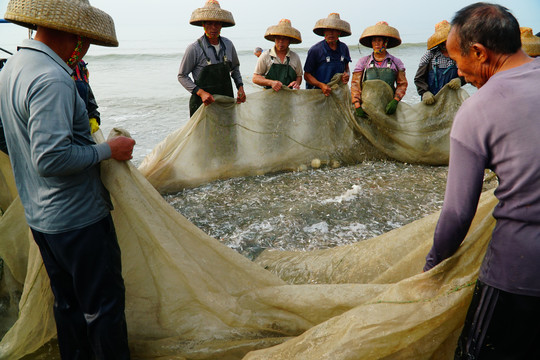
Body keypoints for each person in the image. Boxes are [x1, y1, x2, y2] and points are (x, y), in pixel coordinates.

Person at [0, 0, 135, 358]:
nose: (86, 49)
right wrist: (110, 149)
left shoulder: (14, 66)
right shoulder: (52, 79)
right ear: (75, 35)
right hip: (77, 219)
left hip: (42, 219)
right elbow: (51, 158)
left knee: (69, 306)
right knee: (103, 308)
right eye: (87, 40)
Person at [422, 3, 540, 359]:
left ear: (479, 52)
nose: (460, 70)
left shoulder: (477, 110)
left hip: (519, 273)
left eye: (459, 60)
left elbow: (458, 213)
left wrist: (431, 271)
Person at [178, 0, 246, 117]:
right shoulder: (194, 48)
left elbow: (235, 68)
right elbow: (182, 76)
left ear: (221, 25)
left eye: (217, 24)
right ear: (203, 25)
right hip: (203, 105)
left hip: (225, 103)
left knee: (226, 134)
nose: (213, 28)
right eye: (209, 23)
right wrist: (201, 92)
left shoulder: (228, 45)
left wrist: (240, 87)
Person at [351, 21, 407, 116]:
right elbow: (355, 84)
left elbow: (402, 84)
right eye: (374, 40)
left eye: (380, 40)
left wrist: (395, 100)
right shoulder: (363, 62)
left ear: (386, 42)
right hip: (367, 106)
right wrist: (357, 104)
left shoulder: (396, 62)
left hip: (388, 107)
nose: (376, 43)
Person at [414, 20, 465, 105]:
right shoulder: (430, 55)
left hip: (452, 100)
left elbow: (468, 75)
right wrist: (424, 92)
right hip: (431, 99)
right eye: (445, 40)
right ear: (440, 42)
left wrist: (460, 80)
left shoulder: (459, 55)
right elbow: (419, 78)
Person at [304, 13, 351, 96]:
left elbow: (346, 68)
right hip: (317, 93)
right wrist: (321, 85)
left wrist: (346, 75)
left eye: (334, 30)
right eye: (328, 30)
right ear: (324, 32)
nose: (331, 33)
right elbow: (307, 75)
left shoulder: (344, 48)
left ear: (339, 32)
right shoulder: (315, 50)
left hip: (338, 93)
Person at [253, 19, 303, 91]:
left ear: (289, 40)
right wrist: (271, 83)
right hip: (269, 98)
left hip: (289, 97)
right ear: (274, 39)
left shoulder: (295, 57)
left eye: (284, 38)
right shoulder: (265, 56)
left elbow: (299, 76)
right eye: (278, 38)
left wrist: (297, 83)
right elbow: (255, 78)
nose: (281, 41)